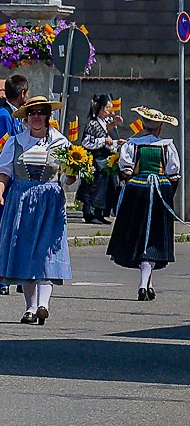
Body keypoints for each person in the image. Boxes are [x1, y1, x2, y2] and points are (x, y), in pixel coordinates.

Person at [0, 96, 71, 324]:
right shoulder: (15, 142)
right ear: (27, 117)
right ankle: (30, 307)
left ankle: (43, 304)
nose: (36, 117)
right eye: (32, 113)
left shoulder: (60, 143)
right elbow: (3, 171)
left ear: (47, 116)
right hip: (22, 200)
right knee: (25, 251)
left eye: (40, 112)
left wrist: (73, 174)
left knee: (46, 251)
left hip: (50, 200)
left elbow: (68, 175)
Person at [107, 107, 180, 300]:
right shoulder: (167, 146)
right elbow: (173, 174)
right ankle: (143, 283)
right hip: (159, 191)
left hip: (137, 190)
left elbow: (126, 171)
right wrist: (167, 195)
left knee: (139, 234)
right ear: (160, 127)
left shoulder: (132, 144)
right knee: (153, 237)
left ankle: (146, 282)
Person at [0, 75, 29, 294]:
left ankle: (20, 277)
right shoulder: (3, 116)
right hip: (4, 182)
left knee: (18, 231)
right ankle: (2, 280)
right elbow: (3, 153)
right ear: (22, 94)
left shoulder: (15, 116)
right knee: (3, 232)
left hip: (17, 182)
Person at [78, 95, 120, 224]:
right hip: (95, 161)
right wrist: (102, 140)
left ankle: (100, 213)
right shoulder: (93, 123)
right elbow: (86, 142)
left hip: (104, 161)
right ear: (101, 109)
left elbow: (109, 142)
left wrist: (118, 142)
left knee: (105, 187)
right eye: (108, 109)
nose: (110, 112)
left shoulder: (106, 123)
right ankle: (89, 214)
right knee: (93, 187)